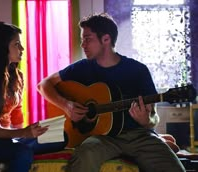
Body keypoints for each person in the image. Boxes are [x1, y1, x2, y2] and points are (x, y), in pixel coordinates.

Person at [38, 13, 185, 172]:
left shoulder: (138, 70)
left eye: (87, 39)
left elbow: (153, 117)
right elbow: (43, 85)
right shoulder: (82, 67)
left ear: (106, 39)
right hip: (102, 138)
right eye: (82, 40)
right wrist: (67, 105)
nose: (83, 45)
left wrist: (146, 121)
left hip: (139, 136)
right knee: (84, 157)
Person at [0, 22, 67, 172]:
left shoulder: (18, 77)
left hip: (5, 138)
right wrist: (24, 134)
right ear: (2, 48)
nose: (22, 49)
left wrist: (28, 133)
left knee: (60, 136)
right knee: (23, 152)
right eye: (16, 44)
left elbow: (17, 116)